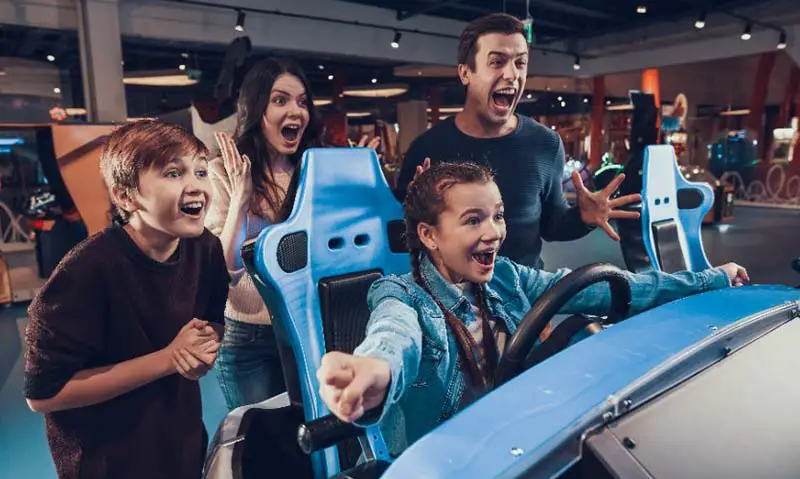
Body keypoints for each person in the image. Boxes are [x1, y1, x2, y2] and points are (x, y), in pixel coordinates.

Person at [317, 161, 749, 455]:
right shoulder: (402, 294)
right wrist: (379, 368)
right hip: (445, 464)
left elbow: (618, 288)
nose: (494, 233)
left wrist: (713, 278)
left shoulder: (506, 277)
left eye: (498, 216)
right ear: (429, 235)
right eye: (473, 220)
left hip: (515, 443)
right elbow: (395, 335)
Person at [23, 119, 230, 479]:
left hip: (181, 460)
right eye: (173, 172)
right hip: (107, 478)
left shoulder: (206, 250)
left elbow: (211, 325)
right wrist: (169, 359)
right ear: (125, 196)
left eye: (200, 170)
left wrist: (202, 350)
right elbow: (42, 394)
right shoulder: (83, 273)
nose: (197, 184)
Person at [395, 13, 639, 269]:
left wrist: (583, 218)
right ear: (466, 73)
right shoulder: (427, 149)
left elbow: (552, 226)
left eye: (520, 63)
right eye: (497, 62)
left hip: (526, 298)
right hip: (452, 299)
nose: (512, 74)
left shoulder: (545, 143)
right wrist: (413, 213)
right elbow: (403, 241)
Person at [206, 58, 383, 411]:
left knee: (316, 434)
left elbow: (342, 246)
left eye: (303, 102)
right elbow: (225, 269)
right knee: (264, 444)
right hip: (249, 337)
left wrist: (360, 187)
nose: (296, 111)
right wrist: (241, 199)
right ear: (257, 109)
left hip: (311, 323)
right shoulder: (223, 171)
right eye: (280, 100)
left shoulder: (317, 170)